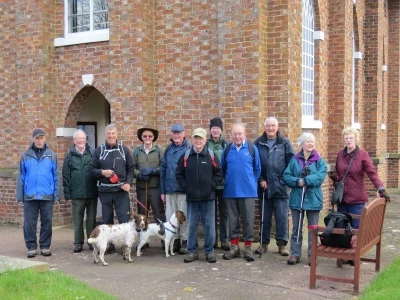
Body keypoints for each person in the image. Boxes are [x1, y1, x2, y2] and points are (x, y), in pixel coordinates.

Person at [176, 128, 223, 263]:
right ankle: (192, 251)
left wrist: (211, 186)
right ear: (192, 139)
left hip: (208, 197)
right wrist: (186, 187)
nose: (198, 141)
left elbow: (219, 173)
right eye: (196, 138)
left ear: (204, 140)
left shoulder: (211, 155)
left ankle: (209, 252)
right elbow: (179, 174)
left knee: (209, 226)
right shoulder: (185, 156)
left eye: (200, 138)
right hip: (192, 198)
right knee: (192, 226)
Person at [328, 127, 390, 229]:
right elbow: (339, 173)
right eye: (346, 138)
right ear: (343, 139)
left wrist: (380, 188)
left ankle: (356, 245)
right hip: (342, 198)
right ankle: (344, 245)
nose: (348, 140)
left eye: (351, 138)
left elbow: (372, 173)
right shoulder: (340, 154)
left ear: (356, 139)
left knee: (356, 227)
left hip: (357, 199)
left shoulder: (362, 154)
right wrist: (335, 176)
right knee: (341, 227)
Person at [283, 132, 327, 265]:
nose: (310, 144)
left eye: (312, 141)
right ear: (301, 144)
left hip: (313, 199)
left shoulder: (319, 161)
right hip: (297, 199)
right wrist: (297, 182)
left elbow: (320, 176)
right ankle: (295, 254)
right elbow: (286, 176)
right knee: (296, 227)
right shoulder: (295, 160)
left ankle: (312, 255)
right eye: (307, 141)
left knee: (313, 228)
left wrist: (305, 180)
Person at [253, 117, 295, 256]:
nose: (270, 128)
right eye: (268, 126)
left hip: (281, 187)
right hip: (264, 187)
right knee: (264, 218)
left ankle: (282, 245)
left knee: (282, 218)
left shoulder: (285, 143)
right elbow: (254, 165)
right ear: (264, 127)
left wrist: (284, 181)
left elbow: (292, 165)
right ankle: (263, 244)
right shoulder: (258, 143)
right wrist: (261, 179)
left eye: (273, 126)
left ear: (277, 127)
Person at [90, 124, 135, 252]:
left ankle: (124, 246)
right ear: (105, 136)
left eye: (113, 134)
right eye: (108, 134)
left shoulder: (124, 150)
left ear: (116, 135)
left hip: (121, 191)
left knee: (124, 220)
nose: (111, 136)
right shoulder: (98, 151)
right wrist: (102, 172)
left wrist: (128, 183)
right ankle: (109, 245)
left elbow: (131, 168)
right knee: (107, 220)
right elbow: (91, 170)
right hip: (104, 191)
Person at [16, 129, 59, 258]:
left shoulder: (52, 155)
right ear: (33, 139)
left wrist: (57, 194)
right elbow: (21, 177)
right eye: (37, 138)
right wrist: (20, 195)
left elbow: (56, 175)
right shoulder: (25, 156)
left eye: (42, 138)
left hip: (47, 195)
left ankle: (45, 246)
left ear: (45, 139)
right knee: (29, 223)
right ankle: (31, 247)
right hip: (30, 195)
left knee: (47, 222)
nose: (40, 140)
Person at [221, 123, 261, 262]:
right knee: (233, 221)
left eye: (240, 134)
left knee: (248, 221)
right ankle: (234, 248)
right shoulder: (227, 150)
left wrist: (250, 183)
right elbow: (223, 169)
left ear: (245, 134)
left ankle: (248, 249)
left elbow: (257, 170)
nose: (237, 136)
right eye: (235, 134)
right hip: (230, 192)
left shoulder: (252, 149)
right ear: (231, 135)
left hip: (248, 192)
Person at [62, 129, 98, 253]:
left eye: (83, 138)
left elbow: (97, 170)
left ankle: (91, 241)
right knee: (78, 221)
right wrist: (68, 194)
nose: (81, 141)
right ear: (74, 141)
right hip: (77, 194)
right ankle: (78, 243)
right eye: (78, 138)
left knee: (91, 219)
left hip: (92, 191)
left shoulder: (92, 153)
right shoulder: (69, 155)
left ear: (86, 139)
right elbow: (66, 175)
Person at [160, 123, 190, 254]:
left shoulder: (189, 148)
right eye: (175, 133)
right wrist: (163, 191)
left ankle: (185, 241)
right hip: (169, 189)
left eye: (179, 133)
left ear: (184, 134)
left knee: (183, 217)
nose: (177, 135)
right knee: (171, 218)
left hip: (183, 190)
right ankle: (175, 240)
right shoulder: (169, 149)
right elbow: (163, 169)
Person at [133, 126, 166, 247]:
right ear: (141, 138)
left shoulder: (159, 151)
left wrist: (153, 171)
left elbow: (163, 167)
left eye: (150, 136)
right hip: (142, 188)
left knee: (159, 214)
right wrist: (139, 174)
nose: (147, 138)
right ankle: (144, 242)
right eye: (145, 136)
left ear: (153, 138)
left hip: (155, 187)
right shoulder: (137, 151)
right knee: (142, 215)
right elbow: (132, 168)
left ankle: (164, 241)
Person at [207, 117, 230, 251]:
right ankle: (213, 239)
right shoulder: (206, 145)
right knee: (211, 213)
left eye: (218, 128)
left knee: (224, 213)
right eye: (213, 128)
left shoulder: (226, 145)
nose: (215, 130)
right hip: (210, 184)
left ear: (221, 130)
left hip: (223, 184)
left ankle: (225, 239)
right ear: (210, 130)